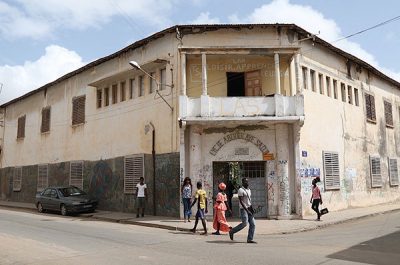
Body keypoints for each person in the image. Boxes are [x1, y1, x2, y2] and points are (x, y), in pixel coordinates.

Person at [229, 178, 256, 243]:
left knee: (253, 224)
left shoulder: (249, 190)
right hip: (243, 209)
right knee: (245, 223)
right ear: (243, 183)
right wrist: (247, 210)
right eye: (245, 182)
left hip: (249, 208)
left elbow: (249, 200)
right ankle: (232, 231)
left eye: (247, 181)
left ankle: (250, 239)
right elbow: (241, 201)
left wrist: (252, 209)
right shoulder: (240, 190)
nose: (247, 183)